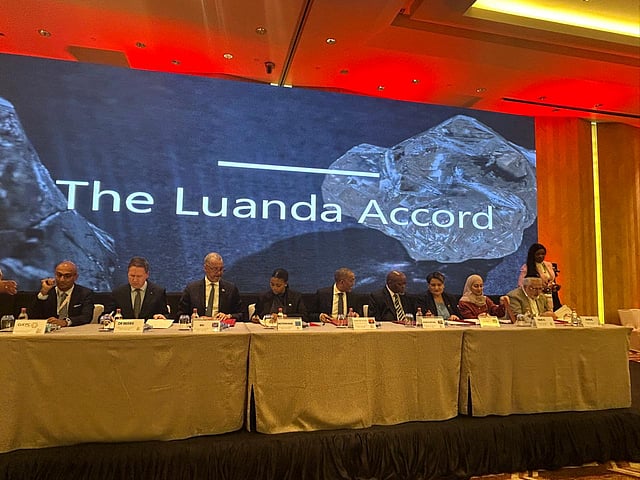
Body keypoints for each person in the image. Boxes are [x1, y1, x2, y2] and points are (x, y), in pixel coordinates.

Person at [177, 252, 243, 321]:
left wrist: (228, 316)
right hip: (199, 326)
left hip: (222, 326)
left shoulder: (231, 289)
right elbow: (180, 314)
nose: (219, 273)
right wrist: (193, 318)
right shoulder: (191, 289)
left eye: (221, 269)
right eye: (215, 269)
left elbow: (241, 314)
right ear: (205, 268)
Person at [29, 260, 94, 327]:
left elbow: (86, 317)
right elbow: (32, 316)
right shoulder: (47, 292)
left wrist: (66, 322)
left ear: (75, 277)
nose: (61, 280)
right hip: (50, 330)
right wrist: (43, 293)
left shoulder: (85, 293)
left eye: (67, 276)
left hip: (73, 329)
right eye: (59, 275)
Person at [518, 243, 561, 310]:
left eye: (543, 254)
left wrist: (553, 286)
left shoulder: (549, 265)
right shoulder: (527, 267)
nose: (541, 256)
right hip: (537, 298)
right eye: (538, 254)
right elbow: (521, 284)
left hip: (551, 296)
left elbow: (551, 279)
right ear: (533, 255)